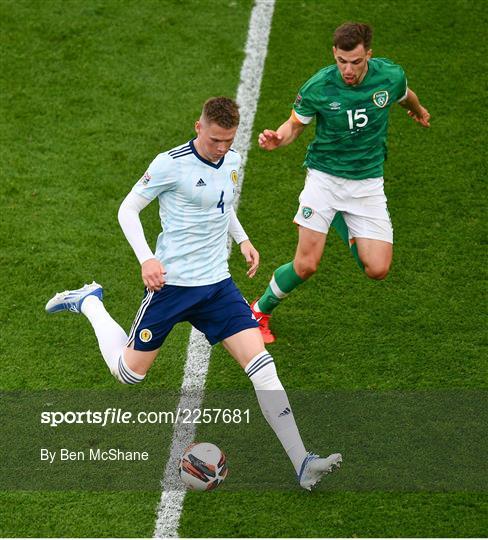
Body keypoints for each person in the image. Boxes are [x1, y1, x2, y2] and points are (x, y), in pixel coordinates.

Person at [45, 97, 341, 490]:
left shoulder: (232, 160)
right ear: (199, 127)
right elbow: (127, 211)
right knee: (128, 374)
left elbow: (223, 204)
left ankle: (302, 462)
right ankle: (90, 301)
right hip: (172, 286)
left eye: (229, 140)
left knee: (262, 365)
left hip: (217, 286)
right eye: (216, 139)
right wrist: (147, 259)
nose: (222, 148)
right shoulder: (170, 164)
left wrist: (243, 239)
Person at [250, 22, 431, 343]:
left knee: (377, 269)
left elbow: (405, 95)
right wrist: (278, 138)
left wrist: (418, 110)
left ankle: (341, 221)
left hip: (367, 184)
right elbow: (294, 125)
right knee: (306, 265)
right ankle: (259, 311)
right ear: (334, 54)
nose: (348, 70)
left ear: (368, 56)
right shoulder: (319, 86)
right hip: (325, 180)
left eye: (356, 62)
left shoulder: (389, 77)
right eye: (341, 61)